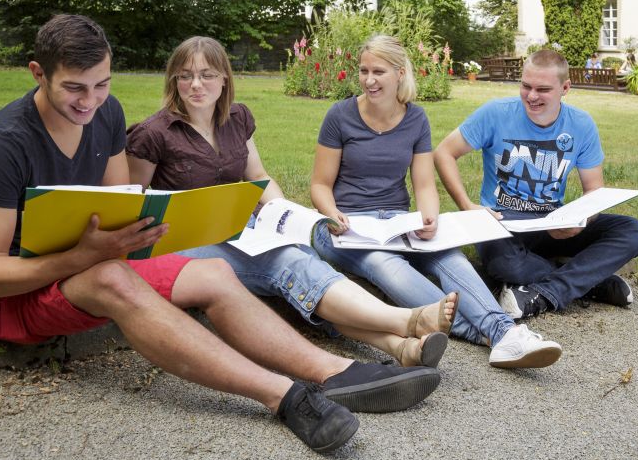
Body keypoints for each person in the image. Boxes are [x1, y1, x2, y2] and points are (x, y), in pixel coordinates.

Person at [0, 15, 439, 455]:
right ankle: (284, 396)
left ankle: (334, 372)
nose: (89, 101)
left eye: (101, 84)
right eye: (73, 88)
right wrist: (84, 255)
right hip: (18, 295)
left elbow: (119, 204)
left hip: (90, 263)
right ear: (38, 73)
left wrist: (131, 234)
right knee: (113, 278)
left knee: (213, 272)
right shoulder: (1, 144)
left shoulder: (105, 114)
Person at [126, 36, 455, 369]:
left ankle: (400, 348)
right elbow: (131, 201)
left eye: (206, 75)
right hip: (186, 241)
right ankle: (407, 321)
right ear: (174, 80)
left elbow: (258, 176)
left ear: (224, 78)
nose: (196, 84)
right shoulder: (154, 133)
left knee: (303, 257)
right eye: (185, 76)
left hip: (238, 227)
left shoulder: (236, 118)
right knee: (288, 263)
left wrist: (285, 214)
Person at [310, 35, 562, 369]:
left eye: (378, 72)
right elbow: (320, 185)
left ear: (400, 73)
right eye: (364, 71)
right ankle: (492, 334)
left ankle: (503, 332)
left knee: (449, 256)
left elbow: (425, 184)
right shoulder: (340, 116)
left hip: (395, 220)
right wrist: (332, 213)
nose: (369, 80)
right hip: (344, 227)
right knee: (387, 266)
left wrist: (428, 216)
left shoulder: (415, 119)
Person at [433, 49, 638, 320]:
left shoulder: (581, 125)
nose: (531, 96)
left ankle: (550, 289)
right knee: (505, 264)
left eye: (543, 89)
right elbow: (443, 152)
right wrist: (467, 206)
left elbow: (594, 191)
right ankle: (591, 283)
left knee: (632, 231)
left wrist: (580, 220)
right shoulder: (496, 113)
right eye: (526, 86)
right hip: (501, 222)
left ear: (565, 88)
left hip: (551, 223)